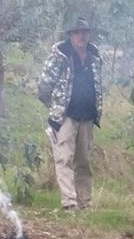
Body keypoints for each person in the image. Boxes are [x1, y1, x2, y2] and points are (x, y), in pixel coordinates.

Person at [37, 17, 104, 210]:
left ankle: (85, 203)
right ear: (70, 35)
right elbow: (44, 85)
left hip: (88, 115)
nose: (81, 36)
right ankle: (69, 203)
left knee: (84, 161)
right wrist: (55, 106)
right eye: (77, 33)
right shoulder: (60, 54)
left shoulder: (94, 54)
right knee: (63, 158)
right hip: (65, 115)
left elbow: (98, 84)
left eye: (84, 32)